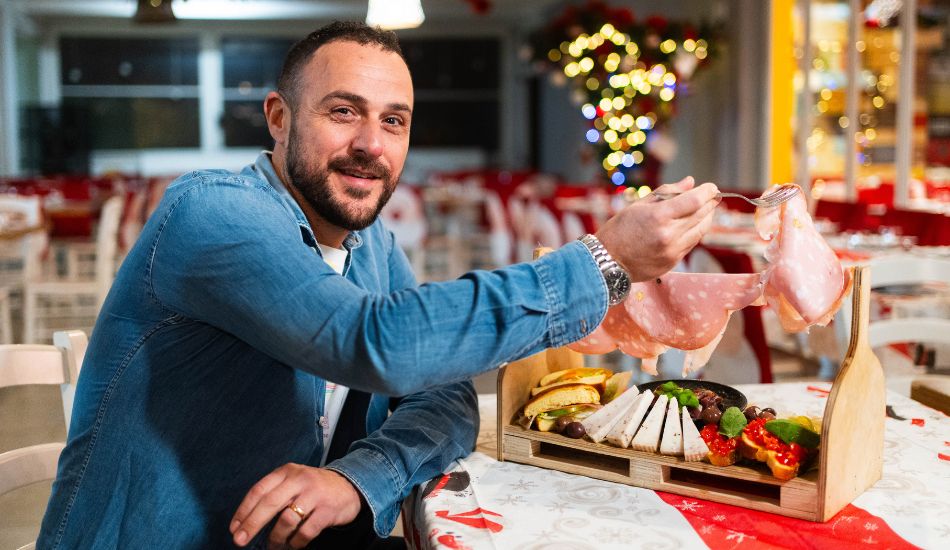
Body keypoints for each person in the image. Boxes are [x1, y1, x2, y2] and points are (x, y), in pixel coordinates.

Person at [38, 21, 719, 550]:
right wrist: (601, 261)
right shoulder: (214, 213)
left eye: (394, 120)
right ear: (279, 119)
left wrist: (355, 479)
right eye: (343, 111)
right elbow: (374, 342)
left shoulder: (370, 247)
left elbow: (446, 395)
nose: (372, 142)